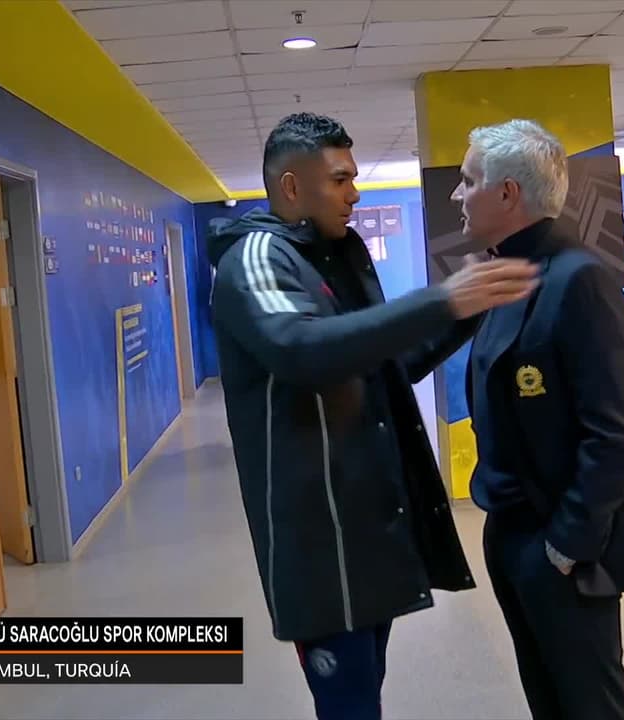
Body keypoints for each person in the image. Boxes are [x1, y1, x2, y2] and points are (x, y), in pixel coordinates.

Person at [205, 112, 540, 719]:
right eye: (340, 180)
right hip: (319, 544)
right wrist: (439, 301)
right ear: (291, 186)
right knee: (349, 704)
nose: (354, 194)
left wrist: (465, 310)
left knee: (365, 689)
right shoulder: (253, 258)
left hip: (365, 529)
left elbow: (385, 364)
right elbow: (300, 349)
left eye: (353, 178)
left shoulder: (336, 257)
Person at [453, 119, 624, 720]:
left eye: (468, 181)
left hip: (560, 543)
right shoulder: (503, 278)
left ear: (508, 193)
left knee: (591, 704)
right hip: (510, 529)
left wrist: (567, 544)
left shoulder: (580, 281)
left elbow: (615, 432)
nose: (457, 194)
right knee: (549, 699)